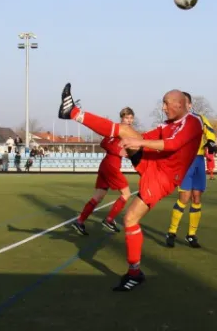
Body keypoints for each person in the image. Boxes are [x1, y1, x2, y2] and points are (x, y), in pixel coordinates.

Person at [58, 83, 203, 291]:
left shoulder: (192, 123)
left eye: (166, 104)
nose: (163, 108)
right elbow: (146, 137)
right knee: (124, 130)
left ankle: (134, 273)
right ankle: (72, 112)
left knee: (130, 219)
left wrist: (139, 144)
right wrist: (133, 140)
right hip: (153, 163)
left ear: (180, 105)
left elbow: (171, 145)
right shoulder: (167, 124)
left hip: (163, 177)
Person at [71, 107, 136, 235]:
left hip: (106, 164)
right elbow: (106, 144)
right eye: (126, 118)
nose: (129, 121)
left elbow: (106, 144)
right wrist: (119, 151)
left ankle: (80, 222)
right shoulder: (118, 130)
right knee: (126, 193)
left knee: (98, 196)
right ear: (121, 118)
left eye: (131, 118)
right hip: (111, 165)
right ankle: (109, 219)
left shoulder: (122, 131)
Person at [165, 92, 217, 249]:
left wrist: (211, 143)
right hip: (186, 161)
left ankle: (191, 235)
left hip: (199, 161)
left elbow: (210, 131)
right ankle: (172, 232)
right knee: (184, 197)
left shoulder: (200, 118)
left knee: (196, 198)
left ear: (190, 105)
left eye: (185, 103)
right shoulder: (177, 121)